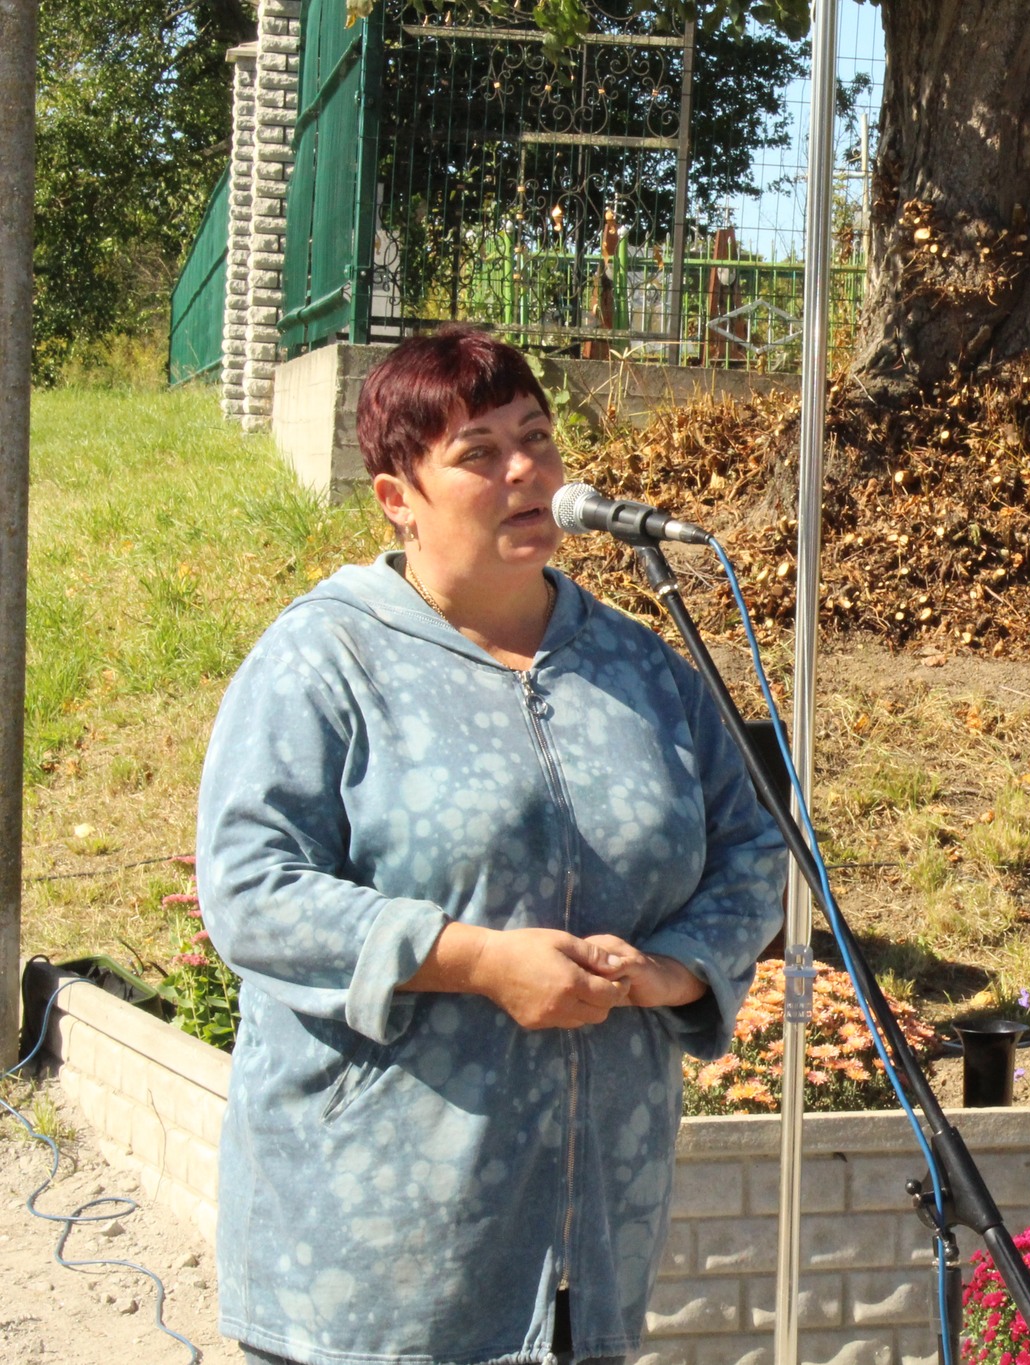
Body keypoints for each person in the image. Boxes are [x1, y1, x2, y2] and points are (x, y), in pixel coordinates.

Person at [196, 324, 786, 1365]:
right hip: (376, 1251)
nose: (526, 472)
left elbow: (756, 852)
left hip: (591, 1233)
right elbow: (251, 888)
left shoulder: (642, 668)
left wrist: (671, 972)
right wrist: (473, 963)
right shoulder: (326, 658)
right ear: (396, 497)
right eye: (478, 453)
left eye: (538, 439)